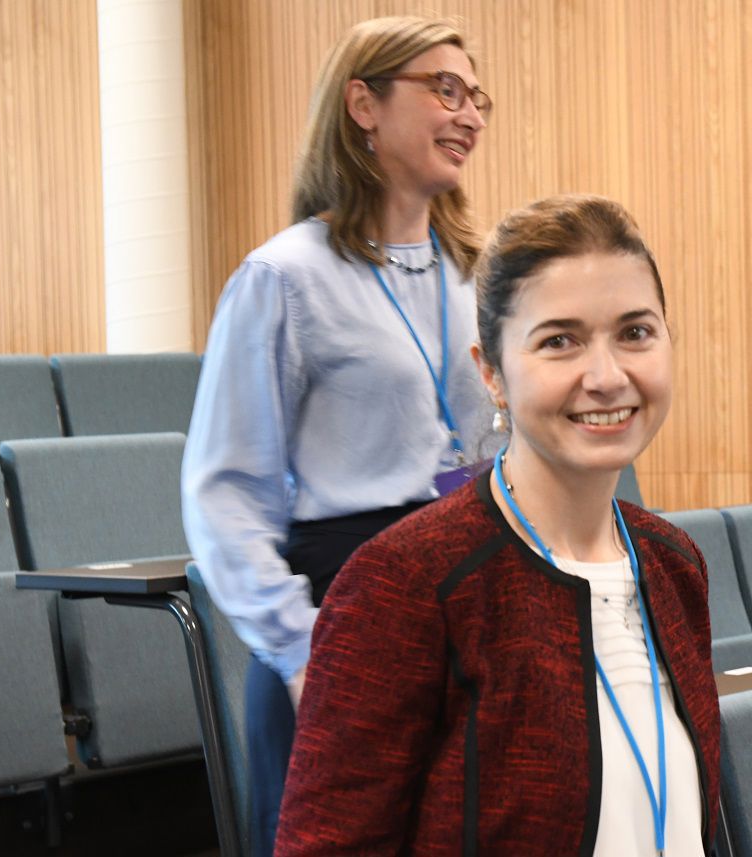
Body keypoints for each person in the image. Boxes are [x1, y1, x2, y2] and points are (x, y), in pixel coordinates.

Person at [274, 195, 723, 856]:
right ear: (491, 373)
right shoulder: (405, 583)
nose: (606, 375)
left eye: (634, 332)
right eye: (559, 341)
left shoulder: (672, 562)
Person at [179, 16, 498, 854]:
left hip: (460, 602)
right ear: (363, 102)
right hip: (342, 616)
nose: (468, 114)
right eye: (445, 89)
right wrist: (298, 648)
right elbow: (224, 493)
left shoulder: (478, 274)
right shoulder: (284, 277)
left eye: (477, 99)